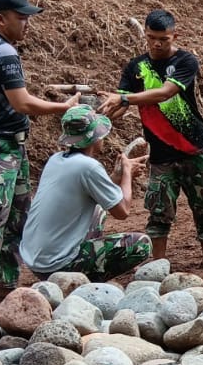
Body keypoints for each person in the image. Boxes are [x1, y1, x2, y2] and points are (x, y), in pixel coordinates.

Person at [0, 0, 79, 302]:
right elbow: (22, 103)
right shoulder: (4, 52)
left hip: (4, 145)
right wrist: (63, 108)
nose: (26, 23)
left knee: (16, 216)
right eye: (21, 17)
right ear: (1, 19)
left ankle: (3, 288)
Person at [102, 9, 203, 271]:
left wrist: (124, 99)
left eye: (163, 38)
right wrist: (106, 107)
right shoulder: (135, 67)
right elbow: (119, 106)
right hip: (161, 152)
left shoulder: (186, 61)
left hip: (195, 146)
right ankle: (159, 263)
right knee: (159, 208)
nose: (156, 43)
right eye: (151, 37)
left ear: (175, 35)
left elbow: (165, 92)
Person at [18, 105, 152, 282]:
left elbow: (94, 192)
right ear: (94, 138)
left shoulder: (55, 160)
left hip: (36, 260)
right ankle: (85, 279)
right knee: (141, 244)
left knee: (99, 210)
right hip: (59, 265)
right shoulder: (89, 167)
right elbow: (122, 211)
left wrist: (117, 176)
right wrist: (127, 173)